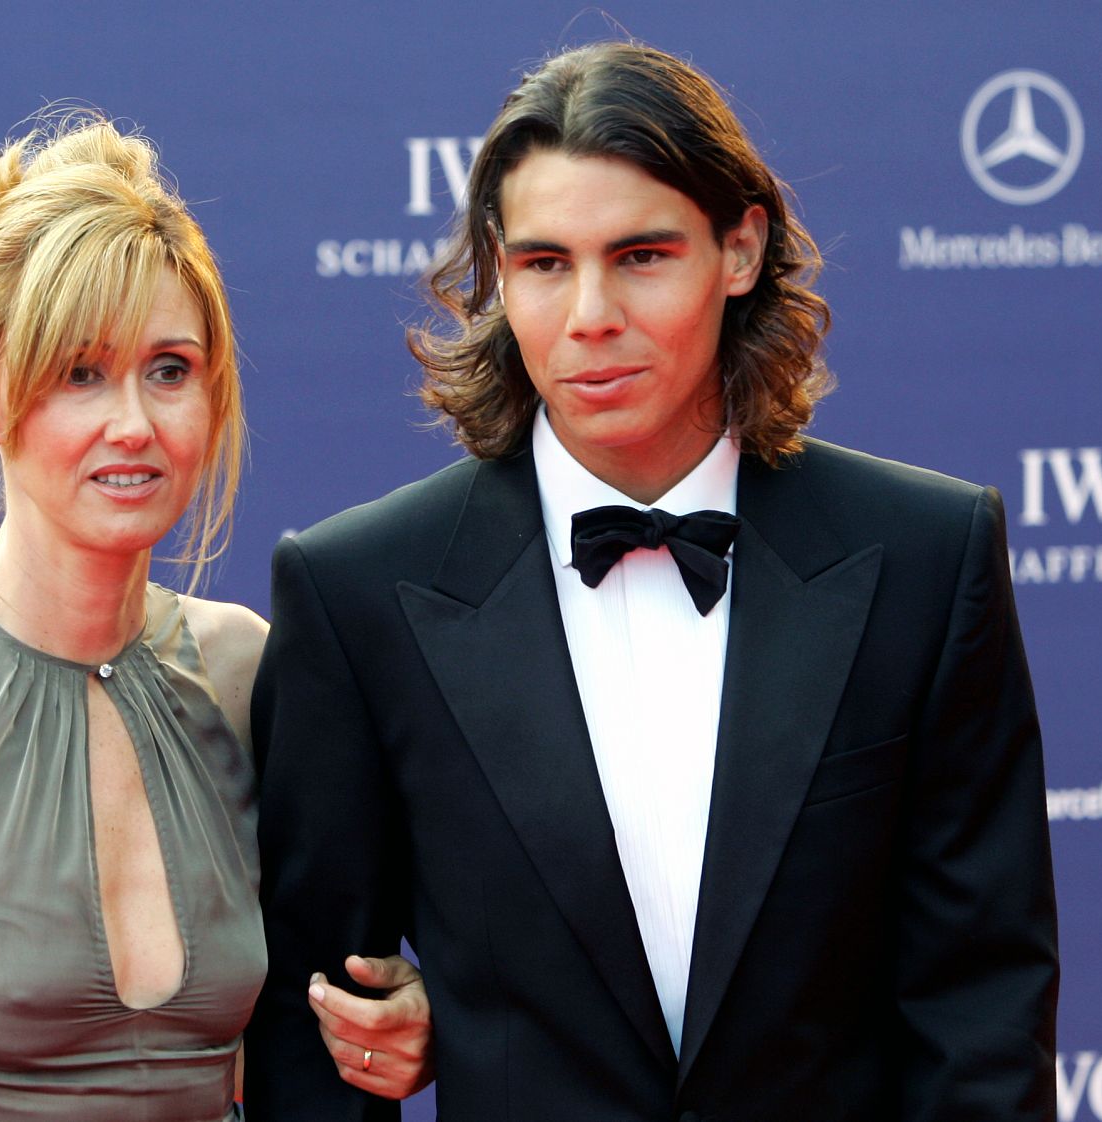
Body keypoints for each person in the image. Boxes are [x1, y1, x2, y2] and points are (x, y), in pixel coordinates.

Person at [247, 41, 1057, 1120]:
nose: (588, 314)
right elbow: (321, 1037)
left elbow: (982, 1006)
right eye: (543, 264)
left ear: (738, 248)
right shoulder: (359, 593)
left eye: (639, 255)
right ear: (496, 269)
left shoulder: (925, 556)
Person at [0, 113, 431, 1121]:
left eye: (170, 370)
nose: (134, 425)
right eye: (80, 373)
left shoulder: (249, 674)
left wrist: (412, 1023)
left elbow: (304, 1022)